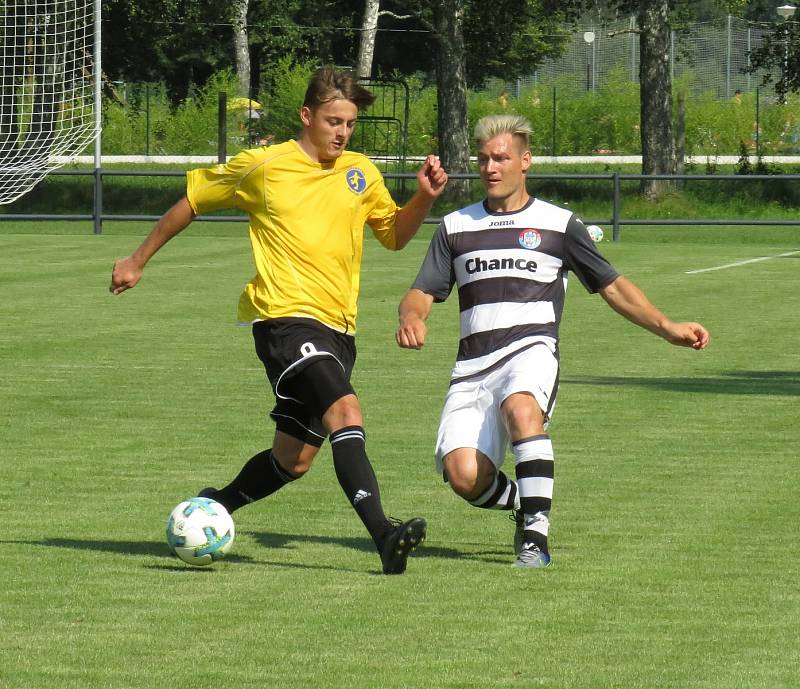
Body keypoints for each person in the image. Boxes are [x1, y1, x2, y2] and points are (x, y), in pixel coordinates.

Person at [110, 66, 448, 574]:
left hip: (339, 330)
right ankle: (384, 535)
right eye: (334, 121)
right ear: (307, 116)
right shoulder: (265, 166)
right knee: (346, 414)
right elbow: (193, 203)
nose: (342, 133)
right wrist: (138, 259)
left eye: (350, 124)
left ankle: (215, 504)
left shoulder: (360, 172)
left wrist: (423, 197)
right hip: (285, 322)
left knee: (294, 460)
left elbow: (395, 235)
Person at [395, 114, 709, 569]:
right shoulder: (456, 226)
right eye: (483, 159)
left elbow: (613, 286)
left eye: (501, 158)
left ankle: (535, 541)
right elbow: (421, 291)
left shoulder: (558, 225)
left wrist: (668, 327)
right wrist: (412, 317)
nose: (490, 167)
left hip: (531, 349)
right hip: (473, 365)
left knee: (522, 408)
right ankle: (526, 505)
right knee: (463, 475)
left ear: (526, 161)